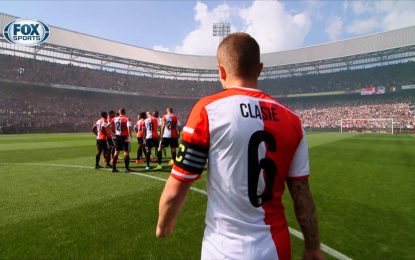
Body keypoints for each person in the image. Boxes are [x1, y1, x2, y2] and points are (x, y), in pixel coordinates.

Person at [156, 33, 324, 260]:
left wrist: (164, 223)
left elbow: (177, 186)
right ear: (260, 69)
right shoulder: (292, 120)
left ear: (221, 71)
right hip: (276, 248)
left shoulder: (207, 110)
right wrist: (312, 247)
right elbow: (302, 194)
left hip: (223, 250)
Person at [112, 108, 133, 173]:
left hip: (117, 136)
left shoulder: (114, 118)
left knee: (116, 152)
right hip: (124, 137)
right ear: (125, 112)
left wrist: (112, 133)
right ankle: (126, 168)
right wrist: (130, 135)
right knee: (126, 152)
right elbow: (129, 127)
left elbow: (108, 126)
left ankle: (114, 168)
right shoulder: (127, 118)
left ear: (119, 112)